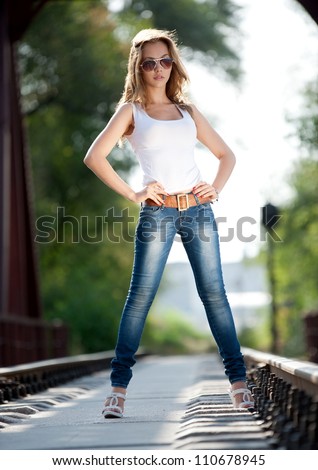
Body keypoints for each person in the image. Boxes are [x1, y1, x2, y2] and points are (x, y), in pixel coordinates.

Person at [84, 28, 254, 419]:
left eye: (164, 60)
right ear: (138, 68)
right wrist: (133, 193)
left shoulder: (188, 112)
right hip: (157, 211)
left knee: (215, 295)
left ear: (172, 64)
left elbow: (226, 156)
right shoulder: (132, 111)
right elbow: (95, 157)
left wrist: (214, 188)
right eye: (149, 63)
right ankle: (117, 390)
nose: (158, 68)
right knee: (139, 298)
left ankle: (239, 385)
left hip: (197, 209)